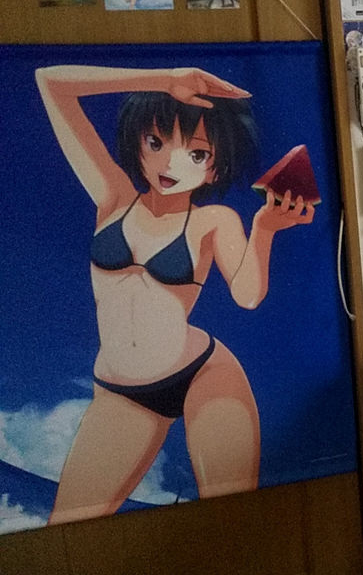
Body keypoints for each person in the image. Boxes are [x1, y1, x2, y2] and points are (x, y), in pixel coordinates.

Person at [36, 65, 314, 524]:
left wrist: (264, 228)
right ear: (137, 141)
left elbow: (247, 296)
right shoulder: (113, 198)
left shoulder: (214, 221)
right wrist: (162, 81)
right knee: (65, 524)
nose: (170, 164)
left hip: (204, 372)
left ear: (216, 167)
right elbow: (51, 82)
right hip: (121, 392)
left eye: (196, 154)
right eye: (156, 142)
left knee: (232, 524)